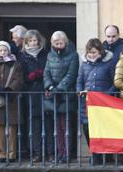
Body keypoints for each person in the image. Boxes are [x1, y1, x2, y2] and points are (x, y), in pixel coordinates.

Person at [43, 31, 78, 163]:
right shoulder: (50, 55)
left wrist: (60, 88)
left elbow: (71, 74)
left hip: (66, 95)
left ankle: (68, 153)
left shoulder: (73, 55)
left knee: (66, 126)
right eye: (55, 43)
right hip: (53, 95)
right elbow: (46, 73)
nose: (58, 45)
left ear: (65, 42)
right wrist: (50, 86)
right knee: (57, 127)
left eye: (60, 43)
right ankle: (60, 153)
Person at [76, 38, 116, 147]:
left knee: (103, 129)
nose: (92, 55)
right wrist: (80, 91)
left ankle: (104, 154)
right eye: (89, 52)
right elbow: (79, 81)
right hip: (87, 102)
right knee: (87, 127)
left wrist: (107, 94)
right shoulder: (84, 65)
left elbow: (114, 82)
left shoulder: (108, 63)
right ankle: (94, 153)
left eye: (94, 52)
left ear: (100, 52)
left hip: (103, 103)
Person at [18, 30, 48, 163]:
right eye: (30, 41)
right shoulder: (22, 56)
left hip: (45, 91)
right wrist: (30, 78)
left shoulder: (45, 54)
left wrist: (43, 76)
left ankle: (49, 152)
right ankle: (36, 152)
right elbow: (20, 76)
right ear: (26, 42)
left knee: (48, 123)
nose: (33, 43)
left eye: (35, 40)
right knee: (34, 125)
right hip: (31, 94)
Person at [0, 40, 23, 162]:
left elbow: (18, 79)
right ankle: (1, 153)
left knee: (12, 128)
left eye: (5, 50)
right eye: (0, 50)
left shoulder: (15, 64)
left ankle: (12, 154)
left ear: (9, 51)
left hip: (12, 99)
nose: (3, 52)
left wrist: (9, 89)